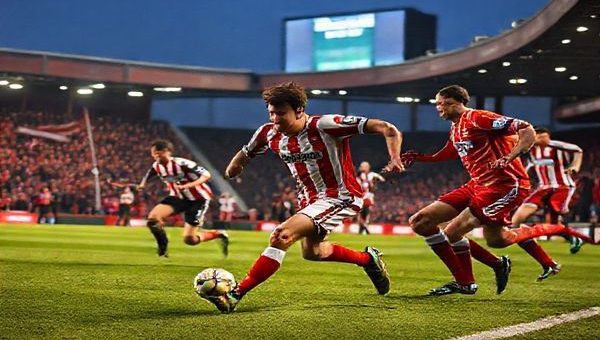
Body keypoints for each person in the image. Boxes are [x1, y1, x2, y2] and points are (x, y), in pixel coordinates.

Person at [208, 82, 404, 313]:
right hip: (309, 201)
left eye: (281, 113)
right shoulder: (267, 132)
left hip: (340, 196)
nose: (275, 119)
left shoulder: (325, 125)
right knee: (314, 253)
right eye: (271, 113)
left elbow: (387, 128)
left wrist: (394, 159)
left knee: (281, 236)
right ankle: (367, 260)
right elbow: (246, 153)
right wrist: (233, 169)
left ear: (299, 110)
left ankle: (235, 294)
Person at [402, 85, 584, 296]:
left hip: (505, 185)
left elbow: (526, 129)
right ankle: (497, 266)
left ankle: (466, 282)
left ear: (455, 102)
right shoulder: (456, 127)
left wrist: (509, 156)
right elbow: (453, 151)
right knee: (422, 222)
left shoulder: (479, 118)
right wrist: (424, 158)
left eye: (440, 103)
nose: (438, 108)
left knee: (454, 232)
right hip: (477, 184)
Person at [511, 127, 584, 280]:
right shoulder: (532, 151)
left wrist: (575, 166)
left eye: (544, 137)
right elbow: (527, 168)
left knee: (553, 220)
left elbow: (578, 150)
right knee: (515, 221)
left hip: (561, 187)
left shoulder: (556, 145)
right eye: (539, 137)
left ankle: (571, 238)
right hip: (543, 188)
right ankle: (549, 262)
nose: (542, 140)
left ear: (548, 137)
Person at [135, 140, 229, 257]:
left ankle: (218, 234)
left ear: (168, 152)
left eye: (160, 153)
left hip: (198, 199)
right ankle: (163, 249)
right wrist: (142, 184)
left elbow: (206, 175)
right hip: (177, 197)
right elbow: (149, 174)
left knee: (190, 240)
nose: (157, 155)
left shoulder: (182, 163)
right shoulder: (156, 166)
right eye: (154, 153)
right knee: (153, 219)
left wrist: (189, 185)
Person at [356, 161, 386, 235]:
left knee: (365, 214)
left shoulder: (372, 174)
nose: (363, 168)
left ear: (368, 167)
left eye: (365, 166)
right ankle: (364, 228)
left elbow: (382, 179)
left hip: (368, 197)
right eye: (362, 166)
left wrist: (375, 181)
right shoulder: (359, 175)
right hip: (361, 197)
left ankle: (363, 228)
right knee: (360, 213)